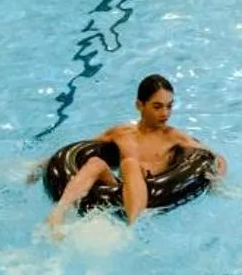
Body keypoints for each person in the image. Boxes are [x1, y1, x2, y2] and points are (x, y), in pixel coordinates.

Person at [44, 74, 226, 235]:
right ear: (140, 105)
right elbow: (80, 150)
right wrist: (45, 164)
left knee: (130, 163)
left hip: (154, 196)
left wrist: (217, 180)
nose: (165, 113)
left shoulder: (173, 137)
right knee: (95, 162)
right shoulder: (121, 133)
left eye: (169, 106)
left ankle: (131, 231)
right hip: (121, 193)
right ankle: (58, 213)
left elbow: (216, 158)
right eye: (157, 107)